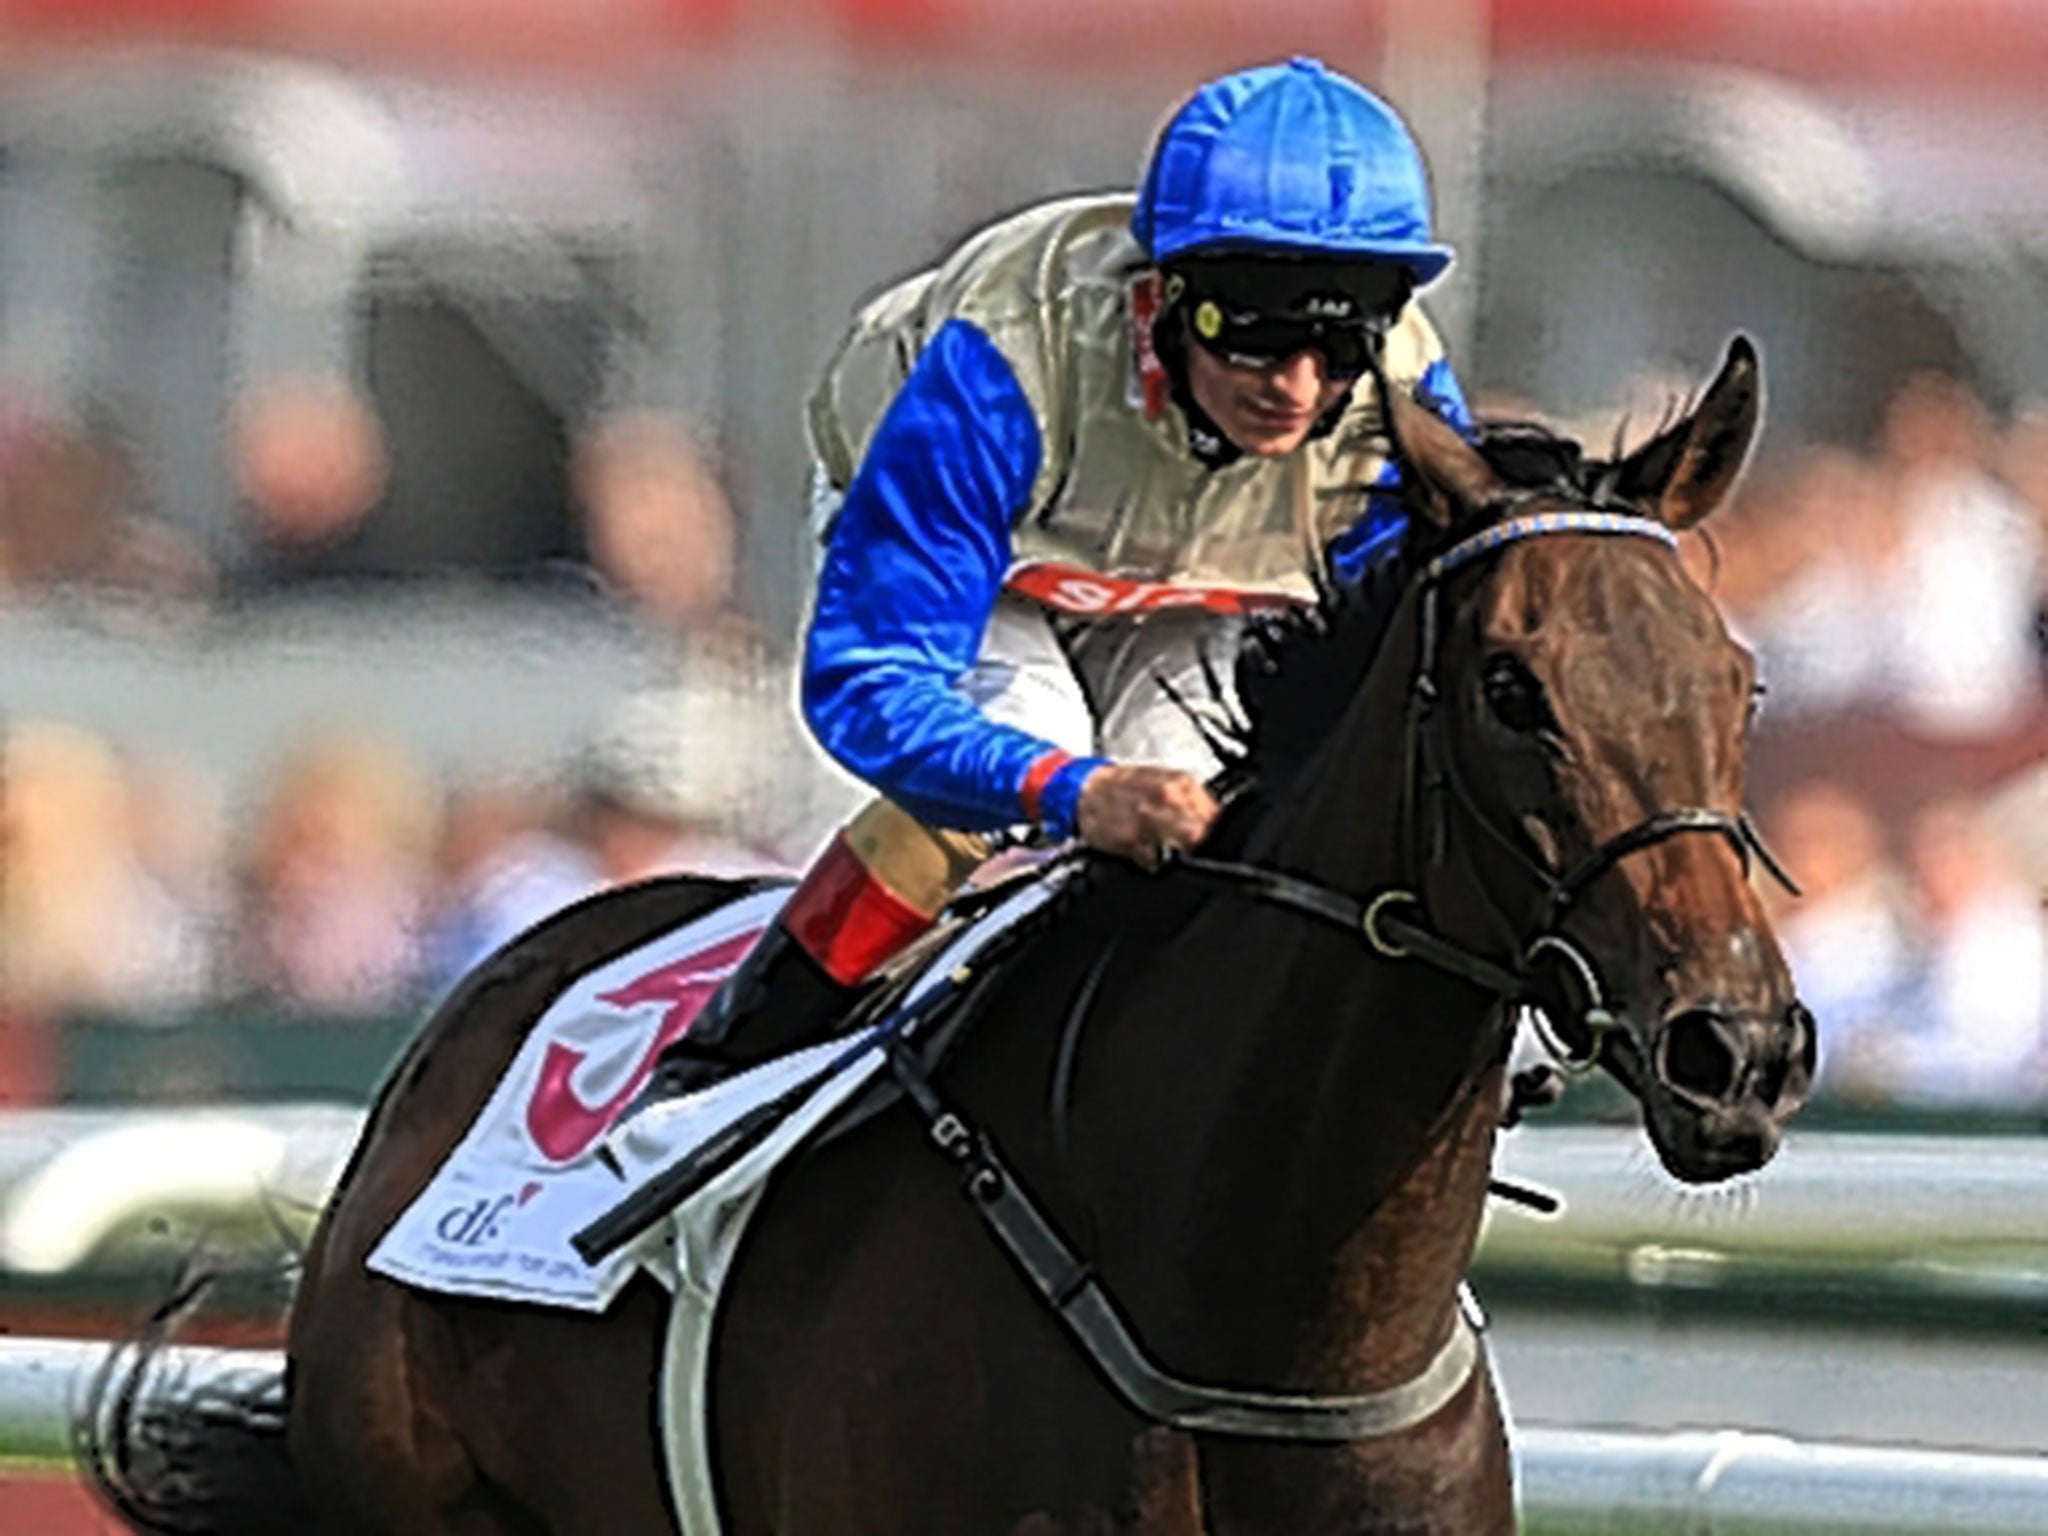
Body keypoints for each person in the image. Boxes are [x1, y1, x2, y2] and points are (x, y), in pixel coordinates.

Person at [640, 57, 1474, 1103]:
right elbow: (865, 686)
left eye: (1338, 338)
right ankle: (721, 1066)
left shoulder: (1401, 397)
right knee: (1008, 785)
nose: (1297, 388)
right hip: (990, 568)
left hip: (1200, 593)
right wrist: (1070, 793)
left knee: (1222, 824)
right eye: (1252, 329)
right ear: (1167, 291)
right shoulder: (997, 369)